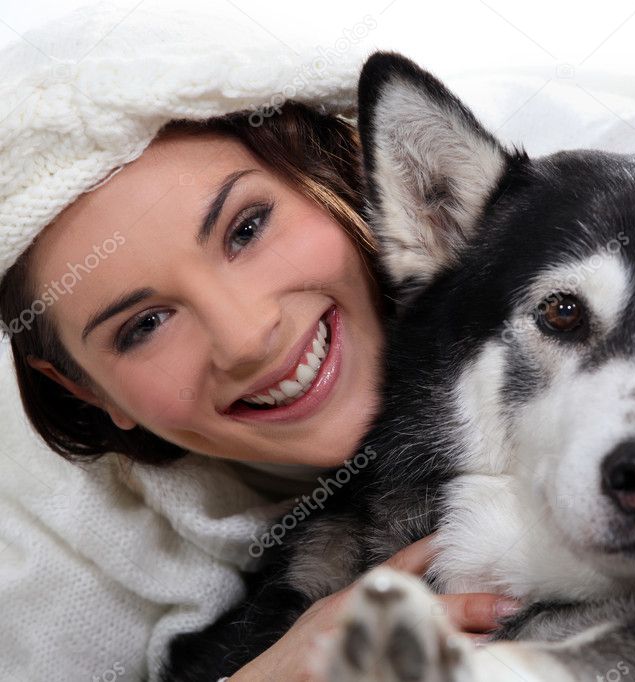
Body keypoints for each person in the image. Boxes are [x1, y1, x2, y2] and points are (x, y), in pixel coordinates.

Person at [0, 6, 518, 680]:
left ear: (343, 169)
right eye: (144, 325)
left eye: (245, 230)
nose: (246, 336)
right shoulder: (45, 566)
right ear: (85, 389)